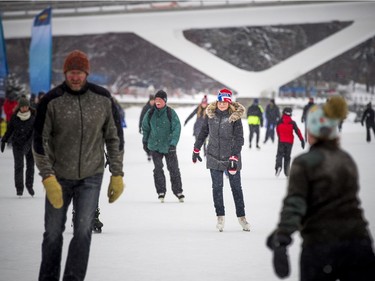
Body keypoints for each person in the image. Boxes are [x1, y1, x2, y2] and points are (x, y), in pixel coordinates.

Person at [33, 50, 125, 281]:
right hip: (58, 176)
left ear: (86, 73)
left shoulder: (102, 98)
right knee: (53, 233)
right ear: (65, 73)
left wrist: (117, 174)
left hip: (91, 176)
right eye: (71, 73)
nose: (75, 77)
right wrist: (47, 176)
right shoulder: (51, 101)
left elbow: (114, 138)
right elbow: (39, 140)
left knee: (83, 232)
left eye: (80, 72)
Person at [266, 96, 375, 281]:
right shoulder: (346, 160)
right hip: (358, 242)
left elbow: (295, 203)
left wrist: (282, 237)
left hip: (320, 246)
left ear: (310, 131)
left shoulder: (304, 163)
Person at [192, 88, 250, 232]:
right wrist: (196, 149)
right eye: (220, 101)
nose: (222, 104)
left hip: (231, 158)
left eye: (225, 101)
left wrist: (234, 156)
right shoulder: (210, 115)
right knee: (217, 188)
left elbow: (239, 138)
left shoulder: (234, 118)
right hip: (213, 156)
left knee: (236, 188)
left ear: (229, 102)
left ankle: (242, 218)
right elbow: (203, 132)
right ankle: (220, 217)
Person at [142, 90, 184, 203]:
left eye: (160, 100)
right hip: (155, 146)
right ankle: (161, 191)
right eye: (156, 100)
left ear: (165, 101)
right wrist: (145, 142)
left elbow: (177, 128)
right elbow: (145, 128)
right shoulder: (150, 113)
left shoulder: (171, 112)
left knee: (173, 169)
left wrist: (173, 143)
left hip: (169, 146)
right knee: (158, 169)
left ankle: (178, 191)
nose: (157, 102)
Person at [1, 97, 36, 196]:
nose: (24, 108)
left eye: (26, 106)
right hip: (17, 144)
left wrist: (29, 144)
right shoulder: (14, 117)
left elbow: (35, 133)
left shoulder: (33, 117)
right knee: (19, 166)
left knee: (30, 166)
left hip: (30, 145)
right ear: (19, 107)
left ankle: (29, 186)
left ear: (28, 106)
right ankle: (19, 188)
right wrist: (4, 140)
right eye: (22, 107)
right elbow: (10, 130)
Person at [275, 107, 304, 177]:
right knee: (287, 157)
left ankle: (278, 166)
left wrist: (280, 136)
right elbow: (297, 131)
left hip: (281, 140)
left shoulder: (279, 121)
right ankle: (287, 172)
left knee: (279, 154)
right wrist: (302, 140)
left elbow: (277, 130)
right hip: (289, 142)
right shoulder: (292, 122)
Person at [139, 95, 155, 161]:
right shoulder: (146, 107)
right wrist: (140, 127)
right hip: (146, 127)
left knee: (152, 141)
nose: (152, 102)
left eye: (153, 100)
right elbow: (141, 117)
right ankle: (148, 152)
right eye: (151, 100)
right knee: (145, 142)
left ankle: (152, 153)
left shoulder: (156, 107)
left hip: (154, 128)